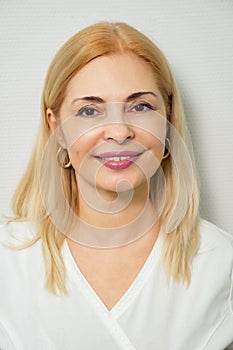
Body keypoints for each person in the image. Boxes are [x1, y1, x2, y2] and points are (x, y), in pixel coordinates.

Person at [0, 21, 232, 350]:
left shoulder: (220, 263)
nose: (119, 131)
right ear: (58, 130)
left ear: (168, 118)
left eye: (141, 107)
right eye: (89, 110)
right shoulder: (8, 259)